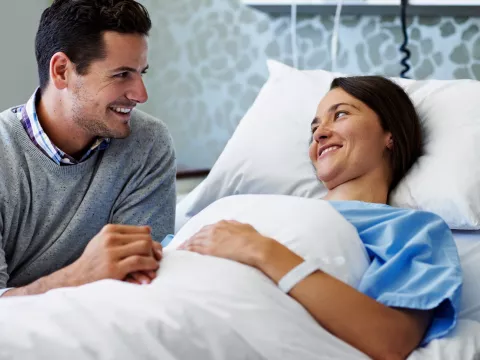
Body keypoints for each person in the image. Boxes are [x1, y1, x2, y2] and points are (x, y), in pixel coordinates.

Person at [179, 76, 462, 360]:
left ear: (391, 135)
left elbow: (392, 341)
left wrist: (261, 250)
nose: (319, 134)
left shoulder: (409, 230)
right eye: (314, 127)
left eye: (340, 115)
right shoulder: (255, 206)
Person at [0, 0, 176, 297]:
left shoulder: (148, 144)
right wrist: (79, 275)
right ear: (61, 71)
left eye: (140, 73)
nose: (141, 94)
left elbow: (139, 286)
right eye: (122, 74)